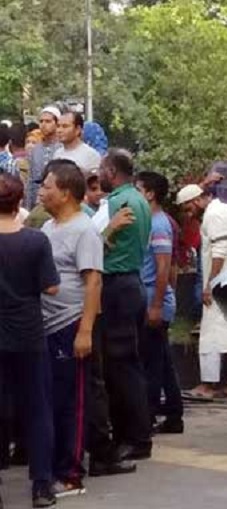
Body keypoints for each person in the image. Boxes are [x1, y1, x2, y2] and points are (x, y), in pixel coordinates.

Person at [38, 160, 102, 498]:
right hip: (46, 325)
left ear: (65, 193)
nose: (41, 192)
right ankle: (51, 466)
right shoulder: (48, 228)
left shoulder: (84, 230)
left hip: (70, 323)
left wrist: (85, 330)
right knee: (50, 398)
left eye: (47, 186)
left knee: (71, 401)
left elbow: (93, 282)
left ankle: (71, 474)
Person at [88, 149, 153, 469]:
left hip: (115, 285)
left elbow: (90, 244)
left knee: (119, 366)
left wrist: (106, 231)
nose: (97, 175)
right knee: (128, 363)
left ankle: (133, 438)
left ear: (112, 172)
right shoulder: (139, 200)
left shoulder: (114, 204)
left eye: (101, 169)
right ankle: (136, 435)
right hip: (132, 283)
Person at [0, 173, 59, 507]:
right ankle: (42, 485)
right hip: (29, 332)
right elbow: (51, 287)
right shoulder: (36, 241)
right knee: (37, 408)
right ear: (19, 201)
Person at [176, 184, 227, 401]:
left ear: (197, 200)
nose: (188, 214)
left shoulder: (213, 216)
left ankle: (207, 384)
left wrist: (210, 284)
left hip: (222, 280)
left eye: (188, 208)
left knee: (210, 332)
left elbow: (219, 252)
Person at [135, 171, 185, 435]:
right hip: (154, 299)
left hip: (154, 302)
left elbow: (164, 266)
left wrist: (156, 305)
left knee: (152, 364)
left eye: (138, 190)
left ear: (150, 194)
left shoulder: (158, 225)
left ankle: (149, 414)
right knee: (162, 361)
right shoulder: (151, 222)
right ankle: (174, 414)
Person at [27, 107, 63, 210]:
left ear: (57, 123)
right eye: (41, 121)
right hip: (37, 203)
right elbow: (31, 180)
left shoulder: (62, 148)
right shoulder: (35, 149)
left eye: (48, 121)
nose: (43, 124)